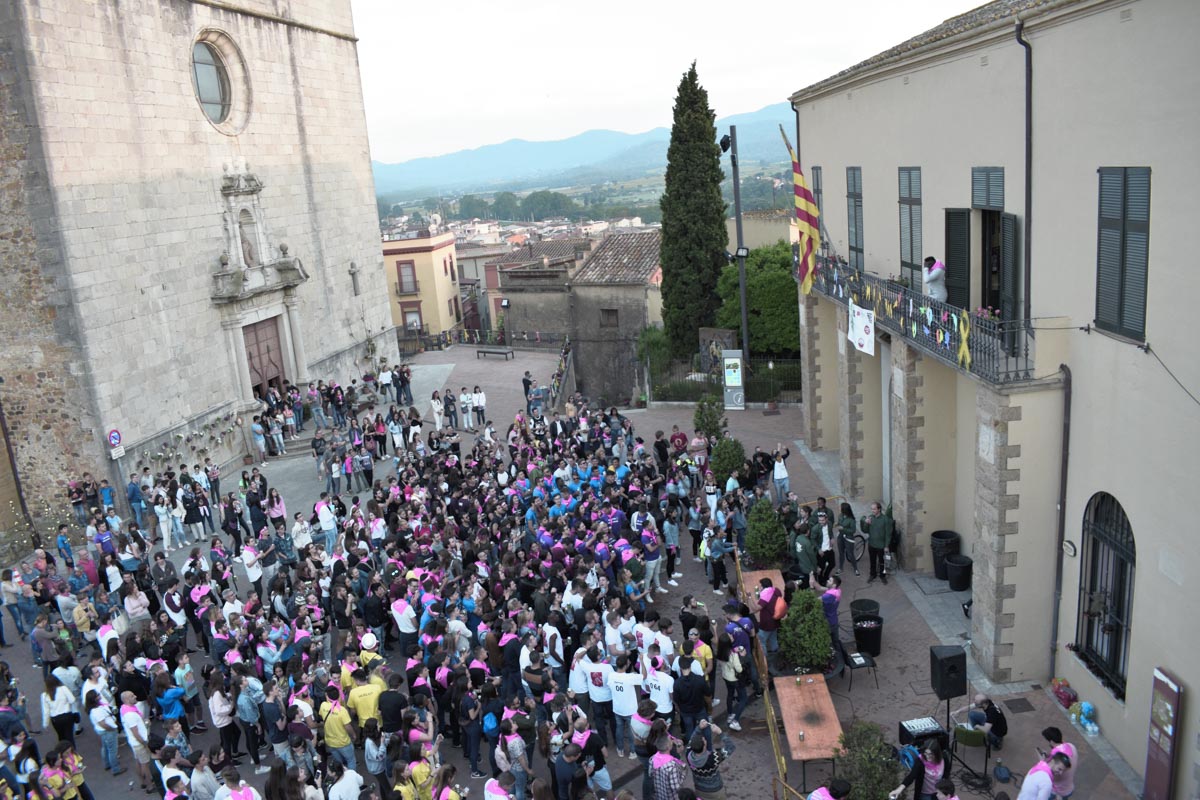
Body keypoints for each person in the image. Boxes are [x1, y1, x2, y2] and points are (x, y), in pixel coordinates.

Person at [686, 720, 735, 800]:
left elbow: (691, 740)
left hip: (699, 789)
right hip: (715, 791)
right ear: (704, 746)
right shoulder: (713, 758)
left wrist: (699, 728)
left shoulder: (688, 754)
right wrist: (720, 732)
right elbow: (731, 747)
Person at [860, 501, 893, 585]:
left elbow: (888, 534)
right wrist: (866, 523)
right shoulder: (870, 518)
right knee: (872, 561)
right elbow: (865, 530)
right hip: (871, 544)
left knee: (882, 562)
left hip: (881, 546)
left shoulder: (885, 519)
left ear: (879, 509)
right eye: (871, 509)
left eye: (874, 509)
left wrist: (886, 546)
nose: (872, 510)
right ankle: (872, 574)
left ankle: (883, 576)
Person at [1039, 727, 1077, 800]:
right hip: (1069, 787)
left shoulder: (1056, 762)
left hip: (1058, 791)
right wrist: (1049, 756)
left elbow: (1045, 774)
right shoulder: (1071, 746)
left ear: (1052, 742)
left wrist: (1042, 761)